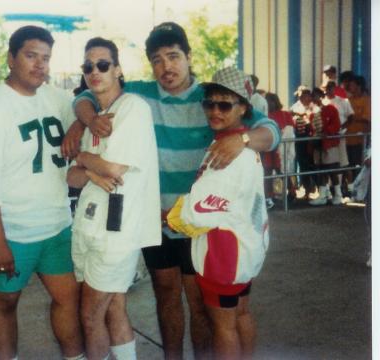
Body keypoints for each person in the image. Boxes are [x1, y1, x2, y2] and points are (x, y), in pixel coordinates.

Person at [63, 22, 280, 359]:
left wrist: (244, 138)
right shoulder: (139, 96)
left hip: (198, 223)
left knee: (199, 304)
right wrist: (86, 120)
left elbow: (270, 130)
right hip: (155, 221)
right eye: (158, 59)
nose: (167, 66)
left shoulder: (212, 98)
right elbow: (87, 94)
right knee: (165, 297)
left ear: (188, 56)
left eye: (174, 56)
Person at [0, 26, 84, 360]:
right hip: (9, 227)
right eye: (31, 56)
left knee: (68, 297)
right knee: (5, 301)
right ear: (11, 58)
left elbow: (84, 107)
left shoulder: (56, 97)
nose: (40, 65)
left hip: (56, 223)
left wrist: (78, 123)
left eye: (46, 58)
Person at [67, 37, 161, 360]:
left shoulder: (133, 108)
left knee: (90, 316)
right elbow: (72, 177)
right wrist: (90, 171)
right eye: (88, 66)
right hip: (88, 226)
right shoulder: (96, 116)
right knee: (114, 307)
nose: (95, 71)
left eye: (103, 65)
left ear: (118, 70)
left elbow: (112, 166)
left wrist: (84, 158)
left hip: (115, 230)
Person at [167, 66, 269, 359]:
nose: (215, 110)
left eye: (224, 104)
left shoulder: (228, 150)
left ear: (243, 109)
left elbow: (198, 213)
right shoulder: (243, 145)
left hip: (223, 256)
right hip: (246, 248)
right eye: (209, 103)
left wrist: (165, 215)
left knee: (223, 326)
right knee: (241, 314)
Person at [308, 88, 342, 206]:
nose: (315, 99)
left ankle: (338, 195)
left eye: (316, 96)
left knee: (332, 169)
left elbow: (336, 124)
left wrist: (327, 132)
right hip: (318, 144)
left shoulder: (331, 109)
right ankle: (323, 195)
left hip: (329, 143)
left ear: (321, 96)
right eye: (313, 97)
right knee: (322, 170)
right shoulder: (312, 114)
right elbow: (313, 129)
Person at [265, 92, 297, 204]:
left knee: (282, 171)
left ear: (275, 101)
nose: (270, 103)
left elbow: (291, 129)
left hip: (281, 148)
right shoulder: (265, 115)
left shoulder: (285, 114)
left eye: (271, 101)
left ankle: (292, 191)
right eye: (267, 101)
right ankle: (269, 196)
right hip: (268, 148)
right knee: (267, 171)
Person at [290, 86, 318, 199]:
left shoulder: (314, 106)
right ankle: (306, 189)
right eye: (302, 95)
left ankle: (317, 188)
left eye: (307, 94)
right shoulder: (294, 107)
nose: (305, 97)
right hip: (301, 140)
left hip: (313, 139)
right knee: (303, 165)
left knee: (314, 165)